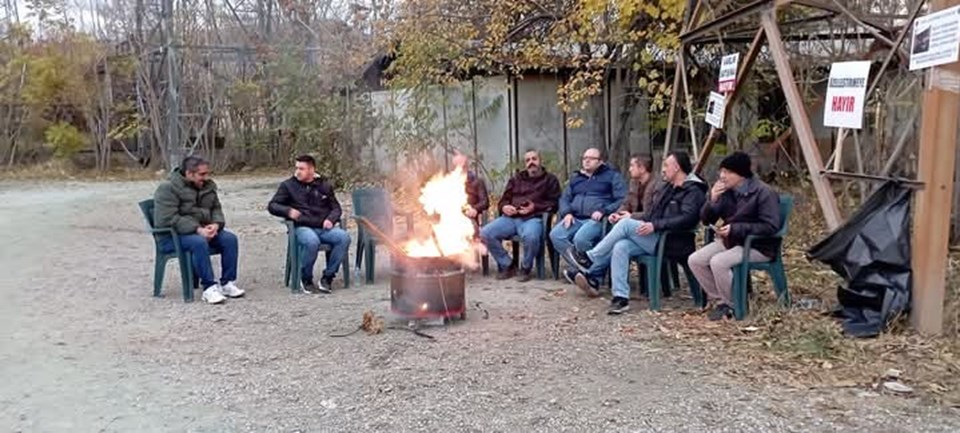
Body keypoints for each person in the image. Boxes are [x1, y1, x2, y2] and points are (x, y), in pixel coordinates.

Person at [563, 151, 706, 314]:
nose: (663, 170)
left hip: (674, 242)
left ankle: (590, 258)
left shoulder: (693, 191)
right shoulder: (668, 188)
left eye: (666, 165)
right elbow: (651, 213)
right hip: (657, 237)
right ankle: (621, 298)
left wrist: (654, 225)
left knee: (625, 224)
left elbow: (687, 219)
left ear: (677, 167)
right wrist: (646, 220)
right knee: (621, 246)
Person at [688, 151, 781, 321]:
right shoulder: (726, 191)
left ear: (741, 174)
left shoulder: (764, 192)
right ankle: (721, 300)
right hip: (731, 240)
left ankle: (733, 304)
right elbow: (706, 219)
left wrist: (736, 228)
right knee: (695, 260)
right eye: (721, 171)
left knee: (718, 262)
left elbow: (771, 226)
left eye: (728, 172)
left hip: (758, 246)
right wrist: (713, 199)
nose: (722, 176)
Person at [153, 156, 243, 304]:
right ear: (189, 173)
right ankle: (209, 287)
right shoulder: (168, 188)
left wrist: (216, 224)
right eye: (202, 174)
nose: (206, 177)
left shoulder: (207, 186)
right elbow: (167, 219)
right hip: (172, 237)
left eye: (207, 173)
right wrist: (197, 229)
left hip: (201, 231)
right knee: (198, 242)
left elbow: (216, 208)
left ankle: (227, 282)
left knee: (229, 239)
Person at [268, 155, 351, 294]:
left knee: (344, 237)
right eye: (296, 168)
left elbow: (336, 208)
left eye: (302, 168)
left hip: (323, 228)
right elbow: (272, 205)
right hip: (301, 227)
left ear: (312, 169)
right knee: (312, 241)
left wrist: (330, 219)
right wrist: (288, 211)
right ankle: (305, 278)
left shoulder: (324, 185)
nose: (297, 172)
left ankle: (327, 277)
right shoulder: (288, 186)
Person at [479, 149, 561, 282]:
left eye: (534, 159)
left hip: (533, 219)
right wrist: (505, 207)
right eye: (528, 160)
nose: (531, 163)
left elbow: (555, 203)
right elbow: (504, 200)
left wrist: (535, 207)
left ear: (541, 161)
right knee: (485, 233)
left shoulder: (550, 180)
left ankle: (525, 268)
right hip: (510, 219)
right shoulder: (516, 179)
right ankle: (508, 264)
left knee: (532, 236)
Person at [549, 147, 627, 273]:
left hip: (596, 220)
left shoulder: (612, 176)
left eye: (591, 159)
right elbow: (564, 198)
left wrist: (604, 210)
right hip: (575, 218)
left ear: (600, 161)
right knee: (556, 235)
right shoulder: (577, 177)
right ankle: (581, 268)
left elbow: (622, 200)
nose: (587, 161)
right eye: (585, 158)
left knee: (580, 239)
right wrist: (567, 212)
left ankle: (591, 272)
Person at [452, 151, 489, 237]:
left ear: (466, 166)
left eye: (462, 165)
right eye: (456, 166)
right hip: (452, 216)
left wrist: (474, 209)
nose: (459, 168)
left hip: (469, 217)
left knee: (471, 228)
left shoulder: (477, 182)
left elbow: (485, 202)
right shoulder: (450, 181)